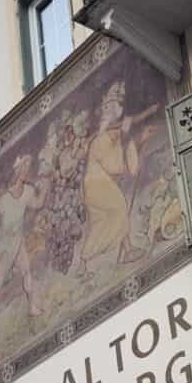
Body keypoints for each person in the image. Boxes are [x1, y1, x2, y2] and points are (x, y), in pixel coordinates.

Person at [78, 82, 158, 277]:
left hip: (97, 183)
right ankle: (87, 256)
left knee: (101, 220)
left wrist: (141, 140)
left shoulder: (116, 138)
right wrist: (146, 116)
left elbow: (126, 164)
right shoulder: (103, 134)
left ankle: (122, 252)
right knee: (120, 208)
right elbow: (119, 142)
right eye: (111, 106)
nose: (116, 110)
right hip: (96, 182)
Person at [0, 154, 48, 343]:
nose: (26, 170)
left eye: (28, 167)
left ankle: (32, 307)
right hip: (6, 245)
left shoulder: (28, 191)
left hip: (18, 241)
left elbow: (37, 204)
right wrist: (1, 234)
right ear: (17, 170)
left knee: (26, 271)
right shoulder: (4, 199)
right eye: (23, 167)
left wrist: (43, 191)